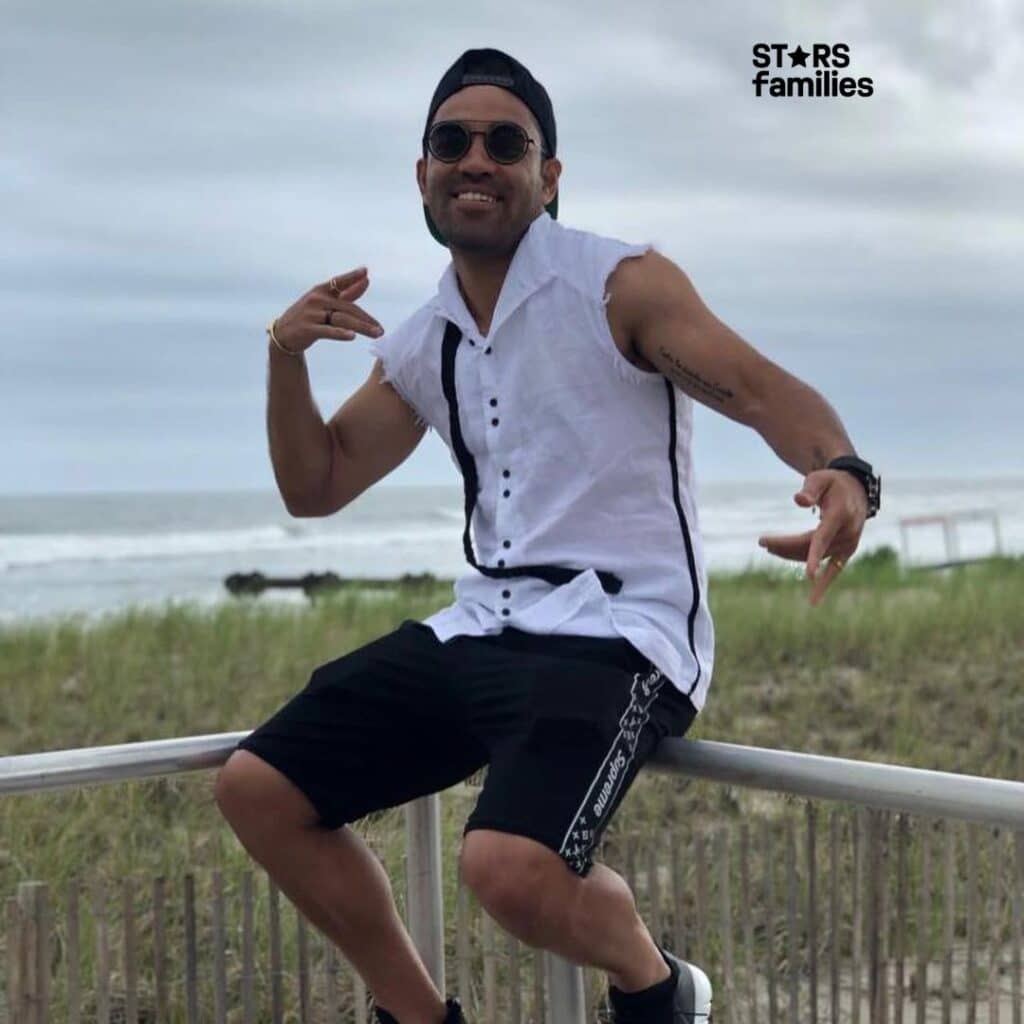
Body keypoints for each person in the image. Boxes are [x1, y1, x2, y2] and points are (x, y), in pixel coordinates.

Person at [214, 47, 880, 1024]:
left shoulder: (620, 287)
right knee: (257, 788)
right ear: (422, 173)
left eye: (504, 142)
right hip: (481, 626)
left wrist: (841, 472)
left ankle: (659, 990)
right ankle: (419, 1016)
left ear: (548, 174)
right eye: (451, 141)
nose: (473, 159)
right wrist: (282, 358)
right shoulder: (424, 339)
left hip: (621, 635)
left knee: (506, 868)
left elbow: (761, 388)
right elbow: (315, 485)